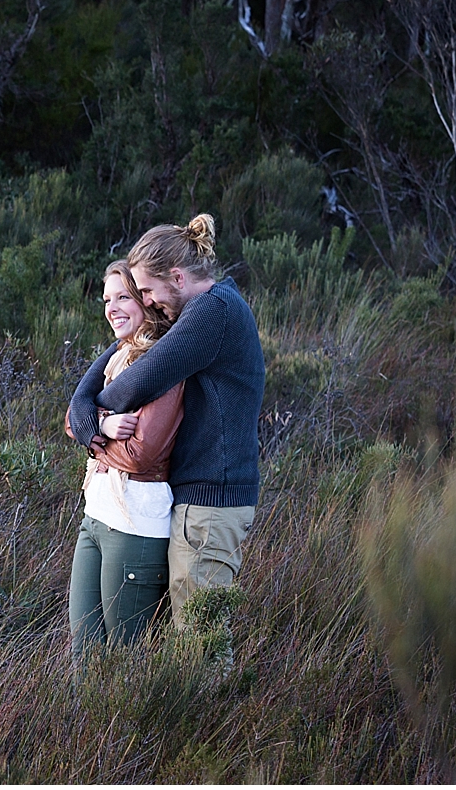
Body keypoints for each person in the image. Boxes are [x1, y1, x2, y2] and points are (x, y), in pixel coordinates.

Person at [68, 213, 264, 631]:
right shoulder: (210, 308)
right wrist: (86, 411)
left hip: (213, 501)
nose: (148, 301)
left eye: (148, 291)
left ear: (176, 277)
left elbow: (143, 378)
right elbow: (114, 363)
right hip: (198, 497)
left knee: (200, 637)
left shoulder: (213, 312)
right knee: (187, 631)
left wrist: (90, 413)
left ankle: (207, 700)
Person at [64, 260, 183, 657]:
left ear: (146, 301)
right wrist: (104, 421)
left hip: (135, 525)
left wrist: (92, 432)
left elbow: (138, 455)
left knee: (125, 664)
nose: (111, 308)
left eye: (122, 297)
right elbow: (71, 421)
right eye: (106, 299)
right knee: (84, 655)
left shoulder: (165, 363)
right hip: (96, 517)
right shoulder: (117, 356)